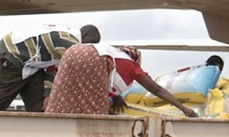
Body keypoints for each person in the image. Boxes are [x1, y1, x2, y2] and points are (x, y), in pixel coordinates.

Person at [43, 42, 196, 117]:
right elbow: (157, 89)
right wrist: (184, 109)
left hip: (73, 50)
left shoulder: (112, 65)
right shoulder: (131, 65)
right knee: (94, 115)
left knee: (65, 97)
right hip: (94, 57)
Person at [0, 25, 90, 111]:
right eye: (89, 44)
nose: (88, 50)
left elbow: (53, 69)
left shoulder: (68, 37)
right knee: (1, 98)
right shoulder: (69, 43)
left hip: (32, 63)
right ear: (84, 36)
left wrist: (48, 94)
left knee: (39, 102)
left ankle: (37, 133)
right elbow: (73, 73)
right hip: (12, 54)